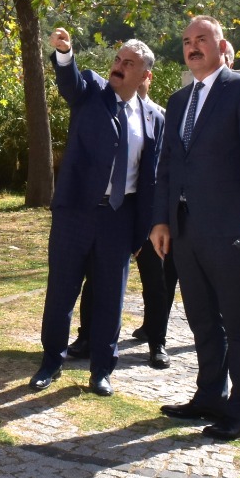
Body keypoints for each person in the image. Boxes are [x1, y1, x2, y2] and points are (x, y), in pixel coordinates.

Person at [150, 16, 240, 442]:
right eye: (186, 41)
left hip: (231, 231)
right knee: (202, 320)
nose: (193, 46)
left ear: (223, 47)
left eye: (202, 39)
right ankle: (208, 396)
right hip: (184, 231)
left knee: (239, 322)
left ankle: (239, 413)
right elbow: (166, 167)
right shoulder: (179, 100)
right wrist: (161, 220)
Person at [30, 28, 164, 397]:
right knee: (61, 292)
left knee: (110, 298)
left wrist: (142, 231)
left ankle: (102, 370)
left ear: (145, 75)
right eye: (118, 60)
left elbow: (152, 179)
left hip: (119, 220)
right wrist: (64, 53)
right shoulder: (91, 91)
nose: (119, 66)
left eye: (129, 63)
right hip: (76, 214)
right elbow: (69, 82)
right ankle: (51, 362)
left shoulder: (154, 119)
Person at [70, 66, 176, 369]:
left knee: (155, 279)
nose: (127, 74)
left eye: (136, 70)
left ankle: (157, 341)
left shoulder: (160, 116)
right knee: (97, 276)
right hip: (116, 214)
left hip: (149, 215)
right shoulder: (110, 109)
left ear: (147, 77)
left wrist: (160, 218)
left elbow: (164, 170)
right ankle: (87, 337)